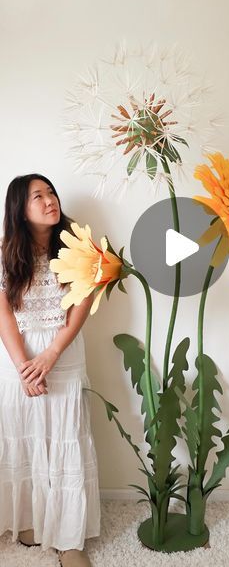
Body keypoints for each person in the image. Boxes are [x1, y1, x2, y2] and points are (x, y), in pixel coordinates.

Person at [0, 174, 101, 567]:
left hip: (63, 352)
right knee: (23, 436)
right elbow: (4, 311)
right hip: (19, 356)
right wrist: (23, 364)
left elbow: (81, 307)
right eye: (36, 197)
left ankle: (68, 538)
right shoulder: (6, 251)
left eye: (50, 192)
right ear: (19, 210)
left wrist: (52, 354)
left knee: (65, 438)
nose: (49, 201)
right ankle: (27, 519)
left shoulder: (79, 247)